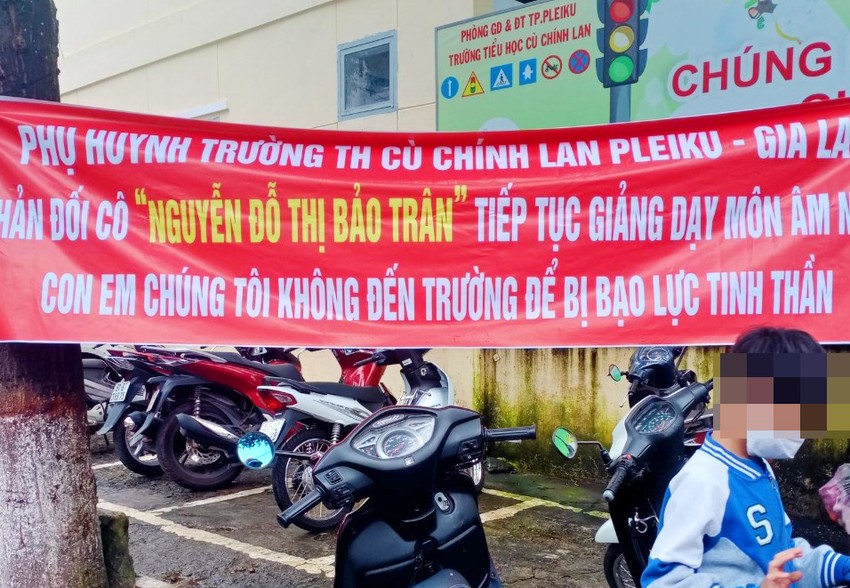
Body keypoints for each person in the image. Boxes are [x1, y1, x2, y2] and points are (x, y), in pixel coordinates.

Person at [641, 326, 850, 588]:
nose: (803, 432)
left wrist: (842, 567)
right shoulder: (703, 482)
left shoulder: (761, 467)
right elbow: (662, 583)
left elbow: (783, 557)